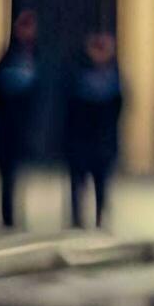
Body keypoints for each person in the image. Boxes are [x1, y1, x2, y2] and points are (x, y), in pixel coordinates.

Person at [0, 11, 42, 229]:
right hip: (7, 127)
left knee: (22, 172)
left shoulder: (36, 55)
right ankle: (7, 216)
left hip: (25, 127)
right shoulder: (8, 57)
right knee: (7, 174)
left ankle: (16, 214)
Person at [65, 33, 123, 229]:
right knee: (78, 182)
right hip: (81, 140)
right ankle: (77, 219)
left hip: (103, 142)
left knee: (101, 182)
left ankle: (100, 218)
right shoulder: (77, 75)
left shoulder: (113, 79)